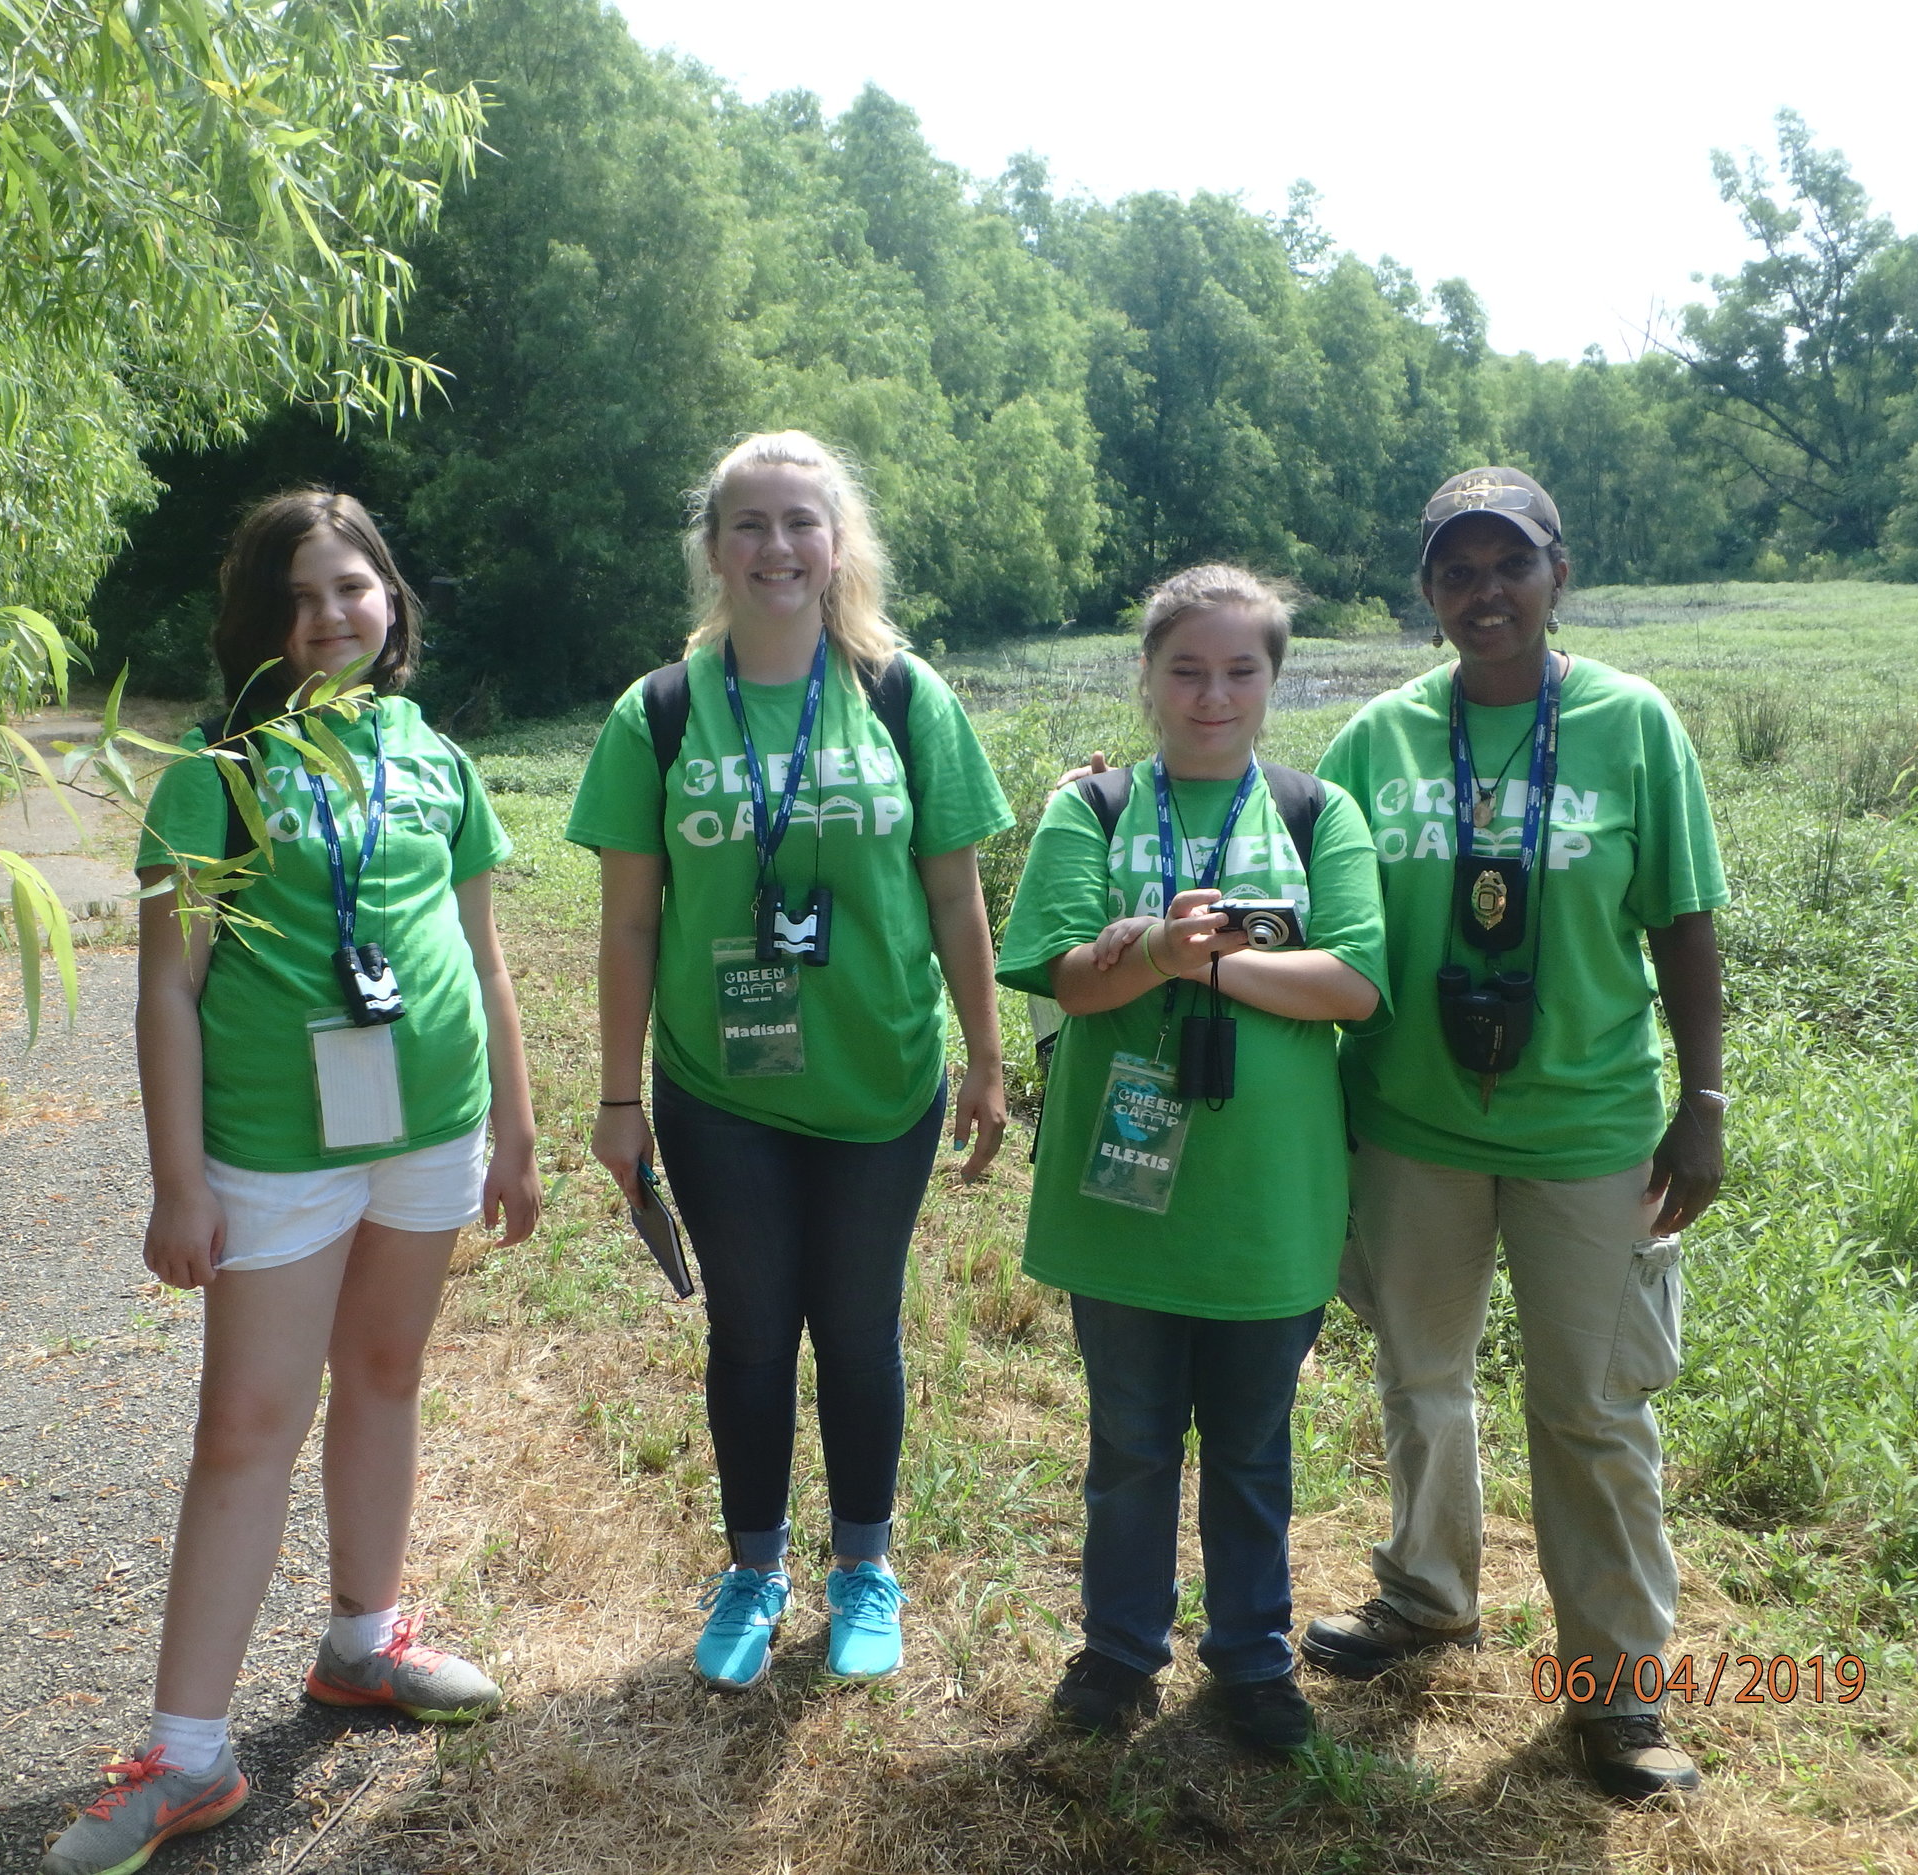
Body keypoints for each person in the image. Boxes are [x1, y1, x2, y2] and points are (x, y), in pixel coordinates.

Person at [42, 490, 540, 1875]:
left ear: (392, 600)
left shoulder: (435, 757)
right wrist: (177, 1179)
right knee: (247, 1426)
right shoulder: (216, 775)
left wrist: (516, 1125)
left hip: (428, 1130)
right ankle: (187, 1753)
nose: (334, 610)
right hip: (272, 1150)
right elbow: (167, 987)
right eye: (303, 592)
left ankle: (363, 1640)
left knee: (384, 1377)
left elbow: (483, 954)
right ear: (261, 620)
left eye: (356, 583)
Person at [1301, 468, 1727, 1802]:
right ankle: (1427, 1596)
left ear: (1558, 574)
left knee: (1594, 1412)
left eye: (1510, 564)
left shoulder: (1631, 724)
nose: (1484, 593)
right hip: (1409, 1120)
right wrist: (1136, 799)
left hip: (1590, 1129)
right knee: (1421, 1376)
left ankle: (1618, 1689)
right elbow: (1305, 892)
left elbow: (1686, 916)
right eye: (1455, 570)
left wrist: (1703, 1099)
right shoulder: (1379, 737)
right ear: (1426, 593)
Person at [568, 431, 1013, 1690]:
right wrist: (615, 1101)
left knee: (860, 1329)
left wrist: (986, 1057)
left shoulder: (903, 694)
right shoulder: (658, 711)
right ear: (714, 550)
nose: (776, 547)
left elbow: (954, 894)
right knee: (755, 1335)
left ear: (839, 543)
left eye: (800, 522)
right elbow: (632, 923)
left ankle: (864, 1567)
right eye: (749, 524)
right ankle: (754, 1570)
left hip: (880, 1079)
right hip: (722, 1090)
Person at [994, 566, 1387, 1751]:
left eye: (1239, 671)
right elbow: (1063, 970)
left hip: (1269, 1202)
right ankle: (1117, 1655)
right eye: (1186, 670)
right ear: (1150, 679)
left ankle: (1251, 1662)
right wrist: (1143, 957)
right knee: (1128, 1446)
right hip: (1123, 1196)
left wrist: (1188, 961)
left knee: (1254, 1451)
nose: (1212, 696)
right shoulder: (1094, 812)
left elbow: (1355, 984)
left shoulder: (1322, 812)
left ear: (1273, 679)